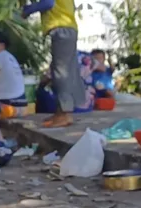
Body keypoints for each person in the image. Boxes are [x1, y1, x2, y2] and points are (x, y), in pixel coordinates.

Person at [22, 0, 87, 128]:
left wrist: (28, 10)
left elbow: (48, 3)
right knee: (65, 70)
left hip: (61, 29)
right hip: (68, 28)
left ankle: (64, 113)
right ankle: (61, 111)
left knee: (61, 72)